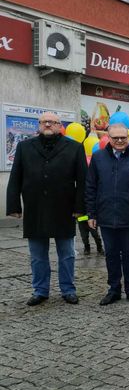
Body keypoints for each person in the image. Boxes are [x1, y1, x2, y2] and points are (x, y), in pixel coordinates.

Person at [6, 112, 87, 305]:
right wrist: (13, 206)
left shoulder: (75, 148)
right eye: (44, 122)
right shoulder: (24, 147)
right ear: (39, 125)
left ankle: (68, 289)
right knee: (37, 255)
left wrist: (80, 208)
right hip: (35, 208)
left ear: (60, 126)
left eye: (53, 122)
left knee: (67, 253)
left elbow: (83, 181)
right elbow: (15, 177)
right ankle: (40, 290)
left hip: (64, 208)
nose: (48, 125)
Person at [86, 123, 129, 305]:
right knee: (111, 255)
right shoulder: (98, 158)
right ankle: (113, 289)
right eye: (115, 138)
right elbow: (91, 187)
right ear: (108, 138)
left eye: (123, 137)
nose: (120, 141)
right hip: (106, 216)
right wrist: (91, 213)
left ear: (128, 137)